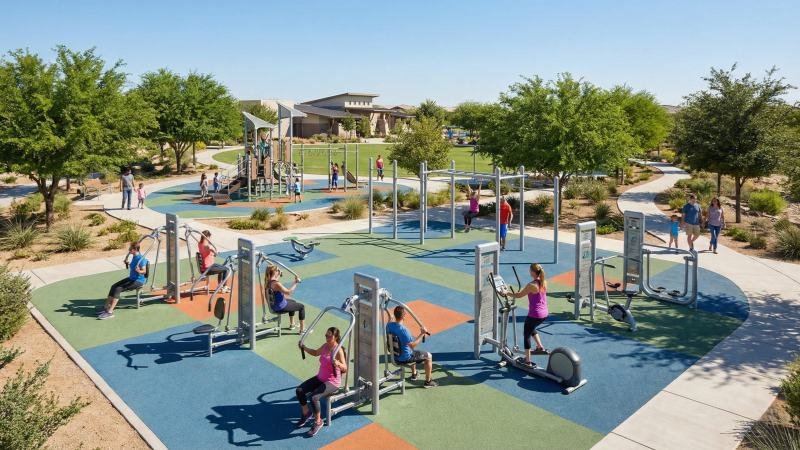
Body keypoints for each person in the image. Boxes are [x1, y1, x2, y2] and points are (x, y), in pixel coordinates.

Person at [296, 327, 348, 437]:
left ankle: (318, 422)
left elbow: (345, 368)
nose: (327, 337)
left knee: (314, 398)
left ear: (336, 337)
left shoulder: (338, 350)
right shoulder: (325, 346)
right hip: (320, 378)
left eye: (329, 336)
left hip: (332, 382)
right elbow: (315, 353)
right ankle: (306, 413)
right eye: (326, 335)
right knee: (299, 390)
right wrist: (304, 348)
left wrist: (337, 363)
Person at [385, 305, 438, 388]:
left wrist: (390, 317)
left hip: (394, 356)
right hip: (404, 358)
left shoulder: (388, 326)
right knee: (428, 356)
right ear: (404, 316)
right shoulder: (404, 331)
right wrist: (422, 334)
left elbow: (390, 321)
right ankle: (428, 382)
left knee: (412, 352)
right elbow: (413, 345)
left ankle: (414, 374)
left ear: (395, 315)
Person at [507, 263, 549, 366]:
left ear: (533, 272)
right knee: (531, 327)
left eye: (530, 270)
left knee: (526, 335)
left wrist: (506, 293)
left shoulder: (532, 285)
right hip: (544, 314)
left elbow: (519, 295)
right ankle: (540, 347)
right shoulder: (543, 282)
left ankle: (528, 361)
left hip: (535, 314)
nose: (529, 271)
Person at [98, 242, 147, 319]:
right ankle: (105, 307)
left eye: (130, 249)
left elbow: (144, 271)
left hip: (138, 281)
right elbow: (133, 266)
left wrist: (139, 271)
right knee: (114, 286)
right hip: (131, 278)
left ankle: (110, 312)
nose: (129, 250)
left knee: (118, 289)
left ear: (134, 249)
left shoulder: (141, 259)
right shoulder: (134, 256)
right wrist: (127, 263)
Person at [266, 265, 305, 332]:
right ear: (275, 272)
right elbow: (288, 292)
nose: (279, 271)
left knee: (293, 301)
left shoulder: (269, 281)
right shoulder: (276, 284)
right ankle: (302, 330)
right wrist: (296, 282)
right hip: (280, 307)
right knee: (301, 307)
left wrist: (279, 275)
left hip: (274, 305)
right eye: (278, 270)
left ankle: (292, 324)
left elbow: (275, 281)